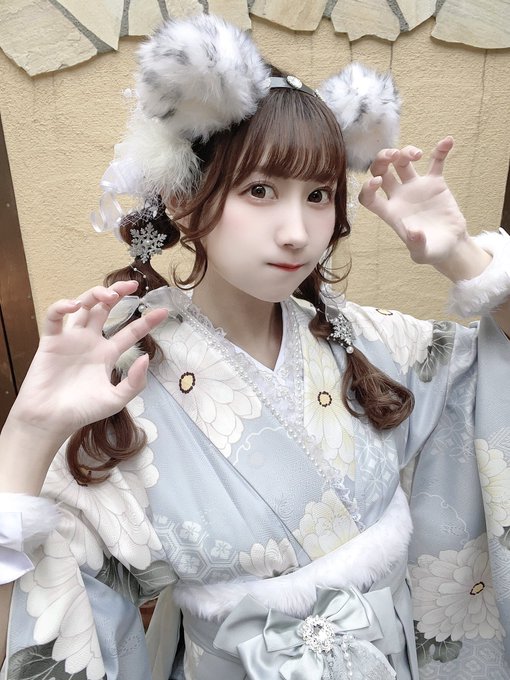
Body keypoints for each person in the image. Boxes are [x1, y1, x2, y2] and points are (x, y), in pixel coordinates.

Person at [1, 13, 510, 680]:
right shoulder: (122, 376)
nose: (297, 231)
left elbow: (492, 373)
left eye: (319, 194)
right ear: (185, 199)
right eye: (260, 190)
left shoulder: (365, 341)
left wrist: (465, 259)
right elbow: (45, 604)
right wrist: (29, 433)